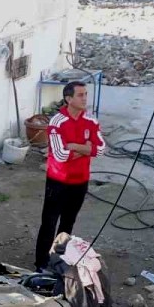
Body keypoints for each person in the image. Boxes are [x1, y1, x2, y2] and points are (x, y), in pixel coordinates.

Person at [33, 81, 106, 271]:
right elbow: (60, 155)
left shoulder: (91, 121)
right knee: (49, 223)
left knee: (68, 222)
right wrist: (86, 148)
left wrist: (74, 146)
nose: (85, 98)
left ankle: (59, 257)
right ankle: (41, 263)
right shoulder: (57, 122)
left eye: (85, 94)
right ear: (68, 99)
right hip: (58, 182)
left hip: (80, 181)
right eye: (80, 95)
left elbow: (100, 150)